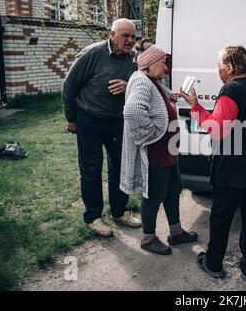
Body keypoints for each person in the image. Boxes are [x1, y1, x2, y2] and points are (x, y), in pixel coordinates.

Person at [180, 46, 246, 281]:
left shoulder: (230, 90)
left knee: (221, 218)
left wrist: (195, 107)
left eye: (218, 65)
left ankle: (214, 264)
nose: (217, 70)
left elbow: (217, 130)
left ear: (229, 67)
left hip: (232, 170)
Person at [62, 18, 141, 237]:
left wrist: (128, 86)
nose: (130, 41)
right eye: (125, 35)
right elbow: (69, 87)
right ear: (111, 34)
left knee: (120, 167)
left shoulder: (133, 59)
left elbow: (141, 85)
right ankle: (93, 217)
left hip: (117, 121)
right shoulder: (92, 54)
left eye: (133, 37)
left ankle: (119, 211)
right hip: (90, 120)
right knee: (91, 169)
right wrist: (71, 118)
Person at [120, 39, 198, 255]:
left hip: (168, 151)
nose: (166, 67)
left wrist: (175, 95)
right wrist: (150, 134)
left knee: (173, 191)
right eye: (162, 63)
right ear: (150, 64)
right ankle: (148, 239)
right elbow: (133, 111)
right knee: (153, 195)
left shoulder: (152, 80)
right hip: (157, 152)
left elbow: (160, 100)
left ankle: (175, 233)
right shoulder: (142, 82)